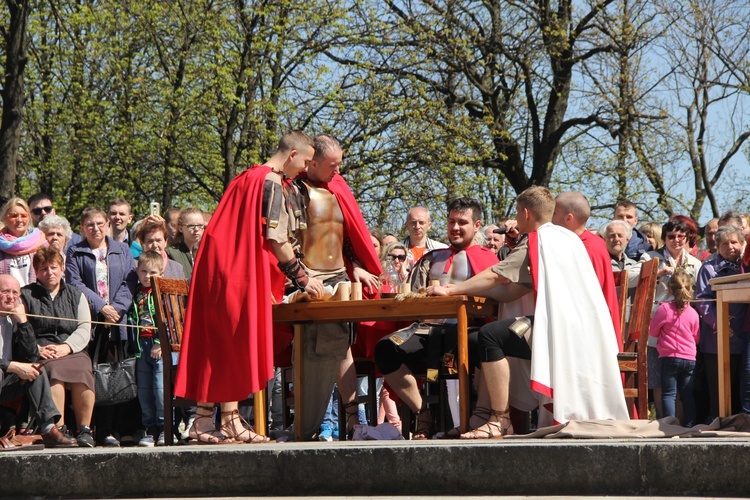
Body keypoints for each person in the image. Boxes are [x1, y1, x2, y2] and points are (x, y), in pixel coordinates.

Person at [430, 186, 628, 438]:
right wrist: (473, 291)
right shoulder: (568, 238)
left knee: (489, 336)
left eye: (516, 212)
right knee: (487, 336)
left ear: (525, 213)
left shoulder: (538, 239)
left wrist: (451, 291)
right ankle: (484, 415)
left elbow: (495, 274)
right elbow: (513, 291)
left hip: (561, 333)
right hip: (584, 334)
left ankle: (499, 419)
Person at [174, 130, 323, 444]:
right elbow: (276, 238)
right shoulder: (270, 181)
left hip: (220, 267)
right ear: (293, 155)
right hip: (236, 271)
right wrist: (303, 278)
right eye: (306, 161)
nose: (306, 169)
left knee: (229, 341)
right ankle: (204, 422)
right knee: (231, 341)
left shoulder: (245, 176)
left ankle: (225, 421)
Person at [374, 198, 499, 439]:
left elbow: (494, 303)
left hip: (470, 330)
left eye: (462, 222)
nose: (455, 227)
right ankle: (423, 412)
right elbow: (412, 293)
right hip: (427, 331)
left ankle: (479, 417)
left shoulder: (488, 260)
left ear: (477, 225)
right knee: (385, 350)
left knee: (487, 344)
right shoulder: (433, 257)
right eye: (452, 221)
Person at [294, 133, 382, 440]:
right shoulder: (295, 188)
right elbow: (288, 239)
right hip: (309, 277)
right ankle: (316, 419)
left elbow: (349, 236)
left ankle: (350, 415)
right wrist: (302, 276)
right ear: (313, 163)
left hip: (339, 275)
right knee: (321, 346)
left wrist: (355, 265)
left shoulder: (339, 187)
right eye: (332, 165)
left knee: (343, 343)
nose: (338, 171)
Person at [66, 206, 136, 447]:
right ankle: (90, 428)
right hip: (91, 321)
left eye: (99, 223)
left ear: (107, 224)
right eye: (89, 225)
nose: (95, 228)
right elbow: (75, 283)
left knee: (113, 375)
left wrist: (116, 309)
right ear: (82, 228)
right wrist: (101, 308)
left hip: (116, 323)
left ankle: (111, 429)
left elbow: (130, 281)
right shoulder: (75, 251)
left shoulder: (122, 250)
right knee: (92, 375)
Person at [21, 247, 95, 447]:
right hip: (41, 351)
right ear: (36, 272)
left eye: (54, 267)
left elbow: (84, 327)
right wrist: (36, 348)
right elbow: (22, 328)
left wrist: (67, 347)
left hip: (72, 349)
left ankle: (85, 429)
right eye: (43, 268)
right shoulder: (26, 295)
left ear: (62, 269)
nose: (49, 272)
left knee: (83, 371)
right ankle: (59, 430)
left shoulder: (76, 294)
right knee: (52, 371)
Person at [0, 274, 78, 448]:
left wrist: (23, 323)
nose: (11, 297)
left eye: (15, 293)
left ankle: (49, 429)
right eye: (5, 291)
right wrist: (13, 366)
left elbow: (31, 357)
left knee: (35, 370)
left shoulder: (12, 320)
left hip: (6, 382)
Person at [552, 192, 622, 346]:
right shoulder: (590, 242)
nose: (550, 219)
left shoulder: (585, 248)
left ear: (569, 218)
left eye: (554, 213)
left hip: (592, 335)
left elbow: (583, 299)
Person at [695, 225, 747, 420]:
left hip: (742, 338)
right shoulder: (708, 268)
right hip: (716, 340)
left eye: (734, 242)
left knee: (739, 391)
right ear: (717, 246)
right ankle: (720, 426)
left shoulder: (747, 266)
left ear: (742, 244)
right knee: (718, 392)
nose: (730, 246)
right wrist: (718, 323)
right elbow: (702, 300)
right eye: (724, 243)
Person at [649, 269, 700, 426]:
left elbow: (653, 331)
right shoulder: (693, 312)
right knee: (687, 394)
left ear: (668, 289)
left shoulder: (664, 308)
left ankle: (669, 425)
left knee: (669, 394)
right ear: (689, 289)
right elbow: (696, 337)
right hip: (690, 358)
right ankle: (690, 424)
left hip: (670, 357)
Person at [128, 251, 166, 446]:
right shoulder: (135, 292)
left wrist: (160, 342)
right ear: (137, 271)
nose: (147, 276)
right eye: (143, 271)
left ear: (161, 272)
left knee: (160, 389)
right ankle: (150, 429)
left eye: (153, 272)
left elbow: (169, 320)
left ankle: (165, 428)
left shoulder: (163, 292)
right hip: (140, 347)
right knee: (144, 390)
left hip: (159, 347)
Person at [0, 198, 46, 287]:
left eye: (23, 216)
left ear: (29, 218)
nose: (19, 220)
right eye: (14, 216)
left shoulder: (41, 243)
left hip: (35, 298)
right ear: (5, 218)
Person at [166, 207, 205, 281]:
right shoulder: (171, 253)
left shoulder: (210, 252)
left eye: (200, 225)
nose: (196, 229)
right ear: (180, 228)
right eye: (191, 226)